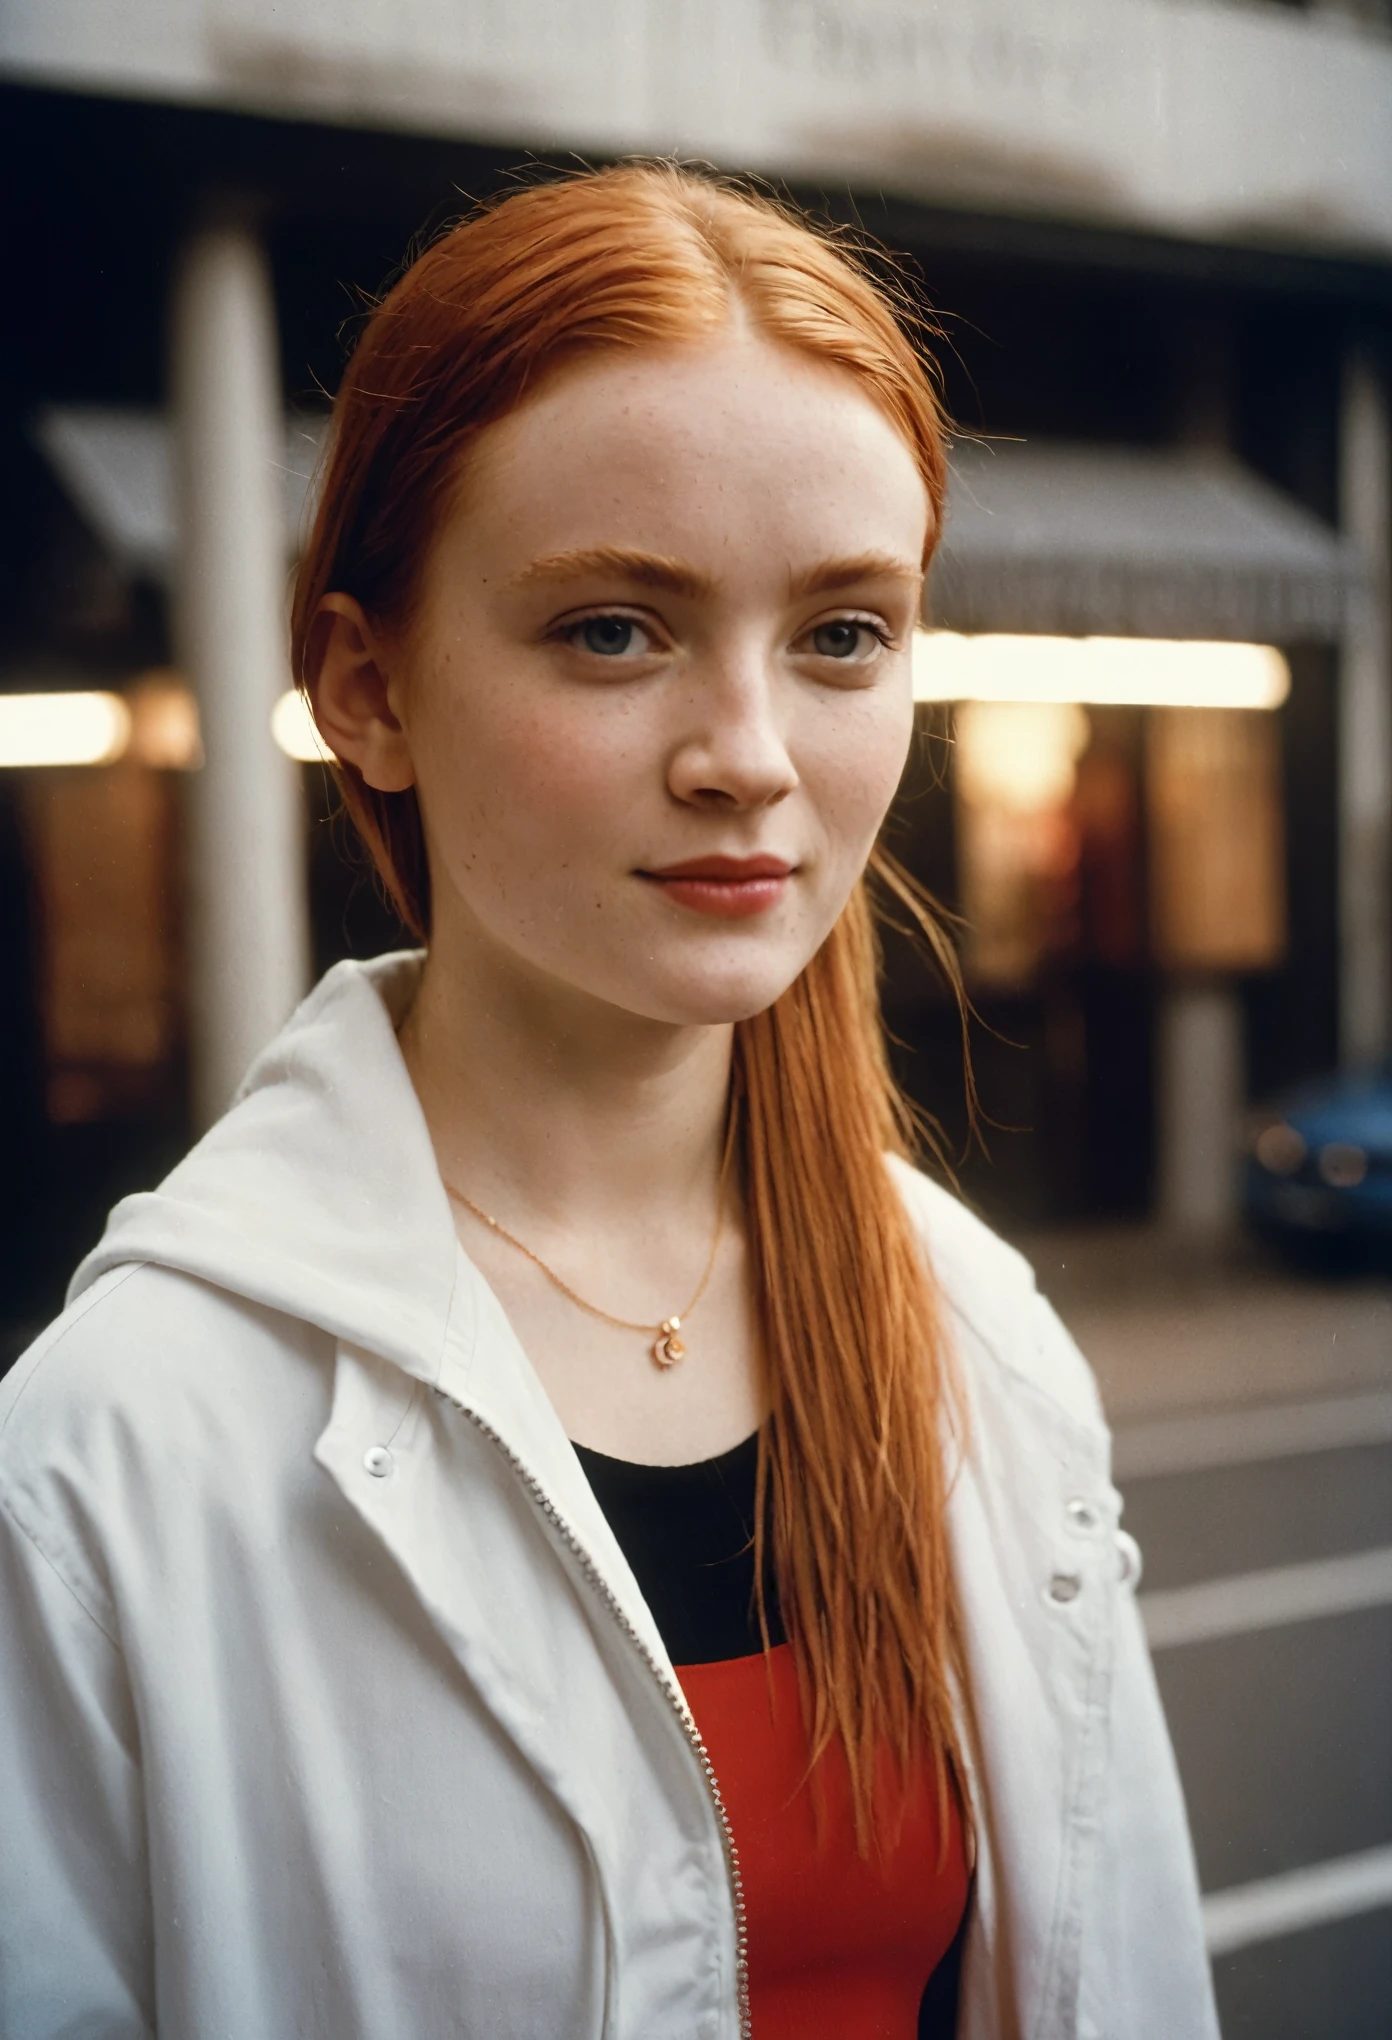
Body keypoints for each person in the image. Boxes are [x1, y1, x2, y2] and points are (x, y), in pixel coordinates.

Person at [0, 164, 1217, 2040]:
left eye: (840, 633)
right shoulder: (117, 1454)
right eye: (612, 632)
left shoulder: (982, 1352)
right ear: (367, 687)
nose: (746, 757)